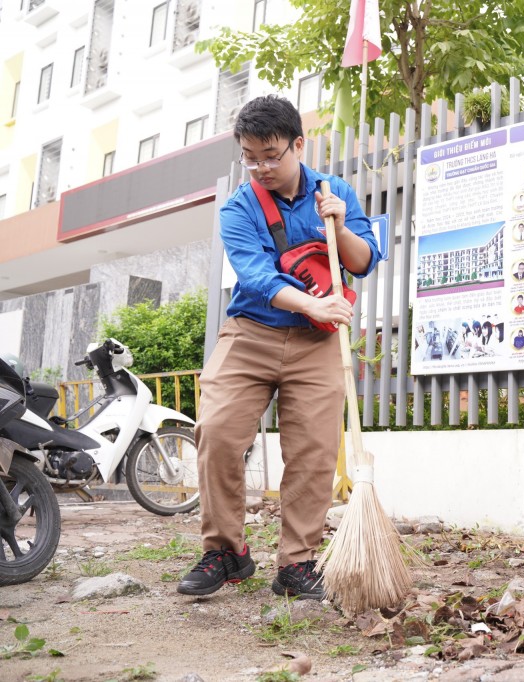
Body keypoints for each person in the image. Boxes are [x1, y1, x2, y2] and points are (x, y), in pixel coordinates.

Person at [177, 95, 381, 599]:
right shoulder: (239, 207)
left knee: (312, 451)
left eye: (271, 154)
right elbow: (256, 275)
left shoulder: (335, 192)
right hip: (252, 332)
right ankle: (226, 551)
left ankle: (297, 562)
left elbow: (363, 260)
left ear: (298, 145)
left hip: (317, 344)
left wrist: (337, 223)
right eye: (250, 156)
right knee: (218, 430)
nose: (261, 166)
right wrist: (313, 305)